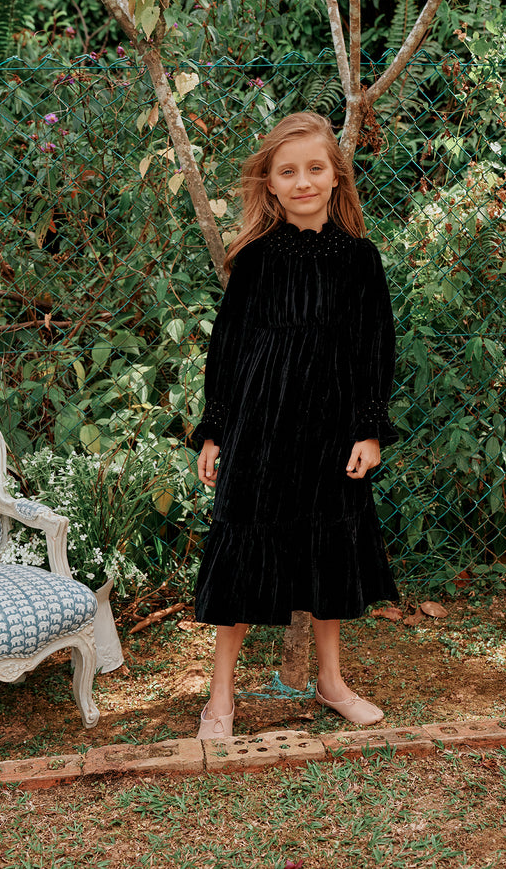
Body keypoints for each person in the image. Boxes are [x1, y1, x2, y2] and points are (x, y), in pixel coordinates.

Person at [192, 112, 399, 739]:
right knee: (244, 548)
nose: (303, 181)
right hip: (260, 429)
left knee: (327, 549)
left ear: (336, 176)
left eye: (314, 168)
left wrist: (369, 430)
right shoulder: (255, 260)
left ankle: (331, 682)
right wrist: (214, 430)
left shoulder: (360, 259)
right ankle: (220, 696)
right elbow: (227, 349)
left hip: (331, 431)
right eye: (288, 172)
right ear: (271, 184)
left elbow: (375, 347)